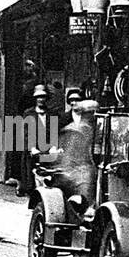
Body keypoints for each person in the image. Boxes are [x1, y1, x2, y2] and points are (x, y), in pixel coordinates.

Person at [40, 93, 98, 221]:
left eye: (94, 113)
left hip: (84, 165)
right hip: (71, 167)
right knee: (87, 175)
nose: (92, 116)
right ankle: (83, 208)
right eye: (90, 113)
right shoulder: (71, 128)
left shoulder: (95, 128)